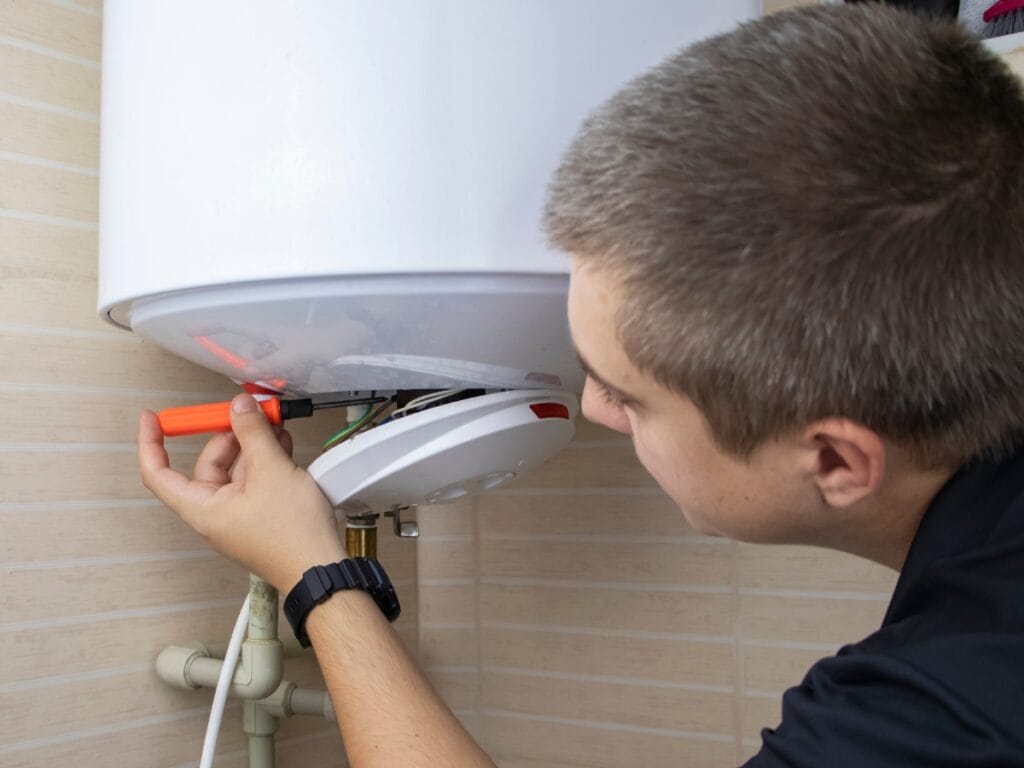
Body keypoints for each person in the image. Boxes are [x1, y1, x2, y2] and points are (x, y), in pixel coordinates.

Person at [137, 4, 1024, 766]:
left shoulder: (941, 713)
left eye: (630, 395)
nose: (594, 408)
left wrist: (313, 573)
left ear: (833, 457)